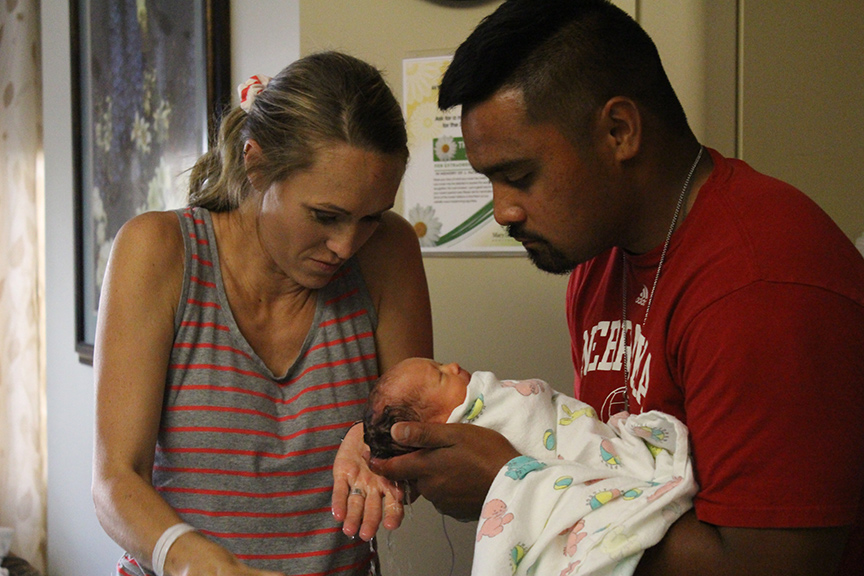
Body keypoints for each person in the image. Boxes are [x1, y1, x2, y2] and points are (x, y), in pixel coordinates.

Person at [369, 1, 864, 575]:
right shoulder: (597, 260)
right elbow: (615, 470)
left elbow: (772, 565)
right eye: (490, 181)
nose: (502, 211)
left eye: (519, 176)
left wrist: (515, 495)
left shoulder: (761, 285)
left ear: (618, 131)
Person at [91, 51, 433, 576]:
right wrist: (189, 559)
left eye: (370, 217)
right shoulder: (159, 251)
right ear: (256, 163)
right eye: (326, 216)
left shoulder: (387, 253)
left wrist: (373, 449)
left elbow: (415, 426)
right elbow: (117, 478)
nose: (346, 245)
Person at [364, 357, 696, 575]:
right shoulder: (474, 426)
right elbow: (527, 412)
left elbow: (544, 411)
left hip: (597, 450)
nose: (452, 366)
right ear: (439, 423)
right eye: (439, 375)